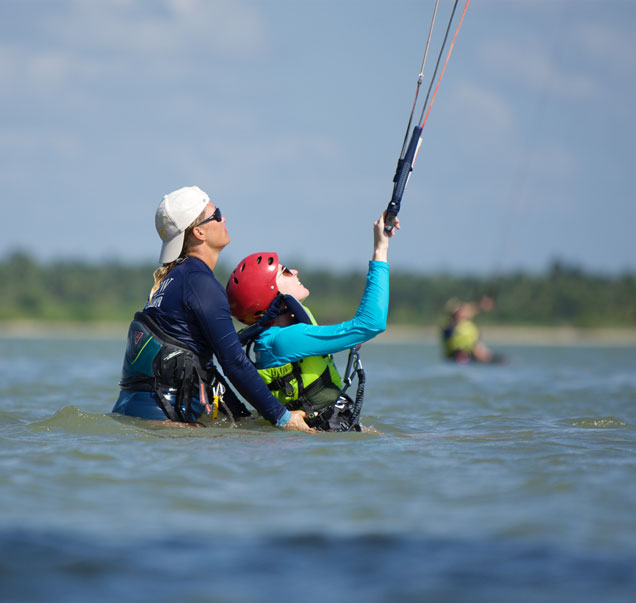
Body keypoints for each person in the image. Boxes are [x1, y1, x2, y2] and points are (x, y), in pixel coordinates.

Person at [112, 185, 312, 432]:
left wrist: (245, 418)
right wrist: (282, 418)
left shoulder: (174, 279)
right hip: (164, 423)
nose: (223, 218)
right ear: (199, 232)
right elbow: (234, 363)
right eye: (217, 214)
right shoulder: (201, 283)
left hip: (131, 413)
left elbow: (210, 360)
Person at [225, 213, 398, 431]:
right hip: (329, 433)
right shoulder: (284, 340)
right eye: (285, 271)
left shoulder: (275, 335)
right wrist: (380, 250)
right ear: (271, 293)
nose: (295, 271)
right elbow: (372, 323)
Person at [441, 296, 504, 363]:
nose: (469, 311)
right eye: (463, 310)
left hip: (476, 357)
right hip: (464, 359)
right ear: (457, 313)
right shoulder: (453, 328)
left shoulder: (469, 326)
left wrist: (483, 304)